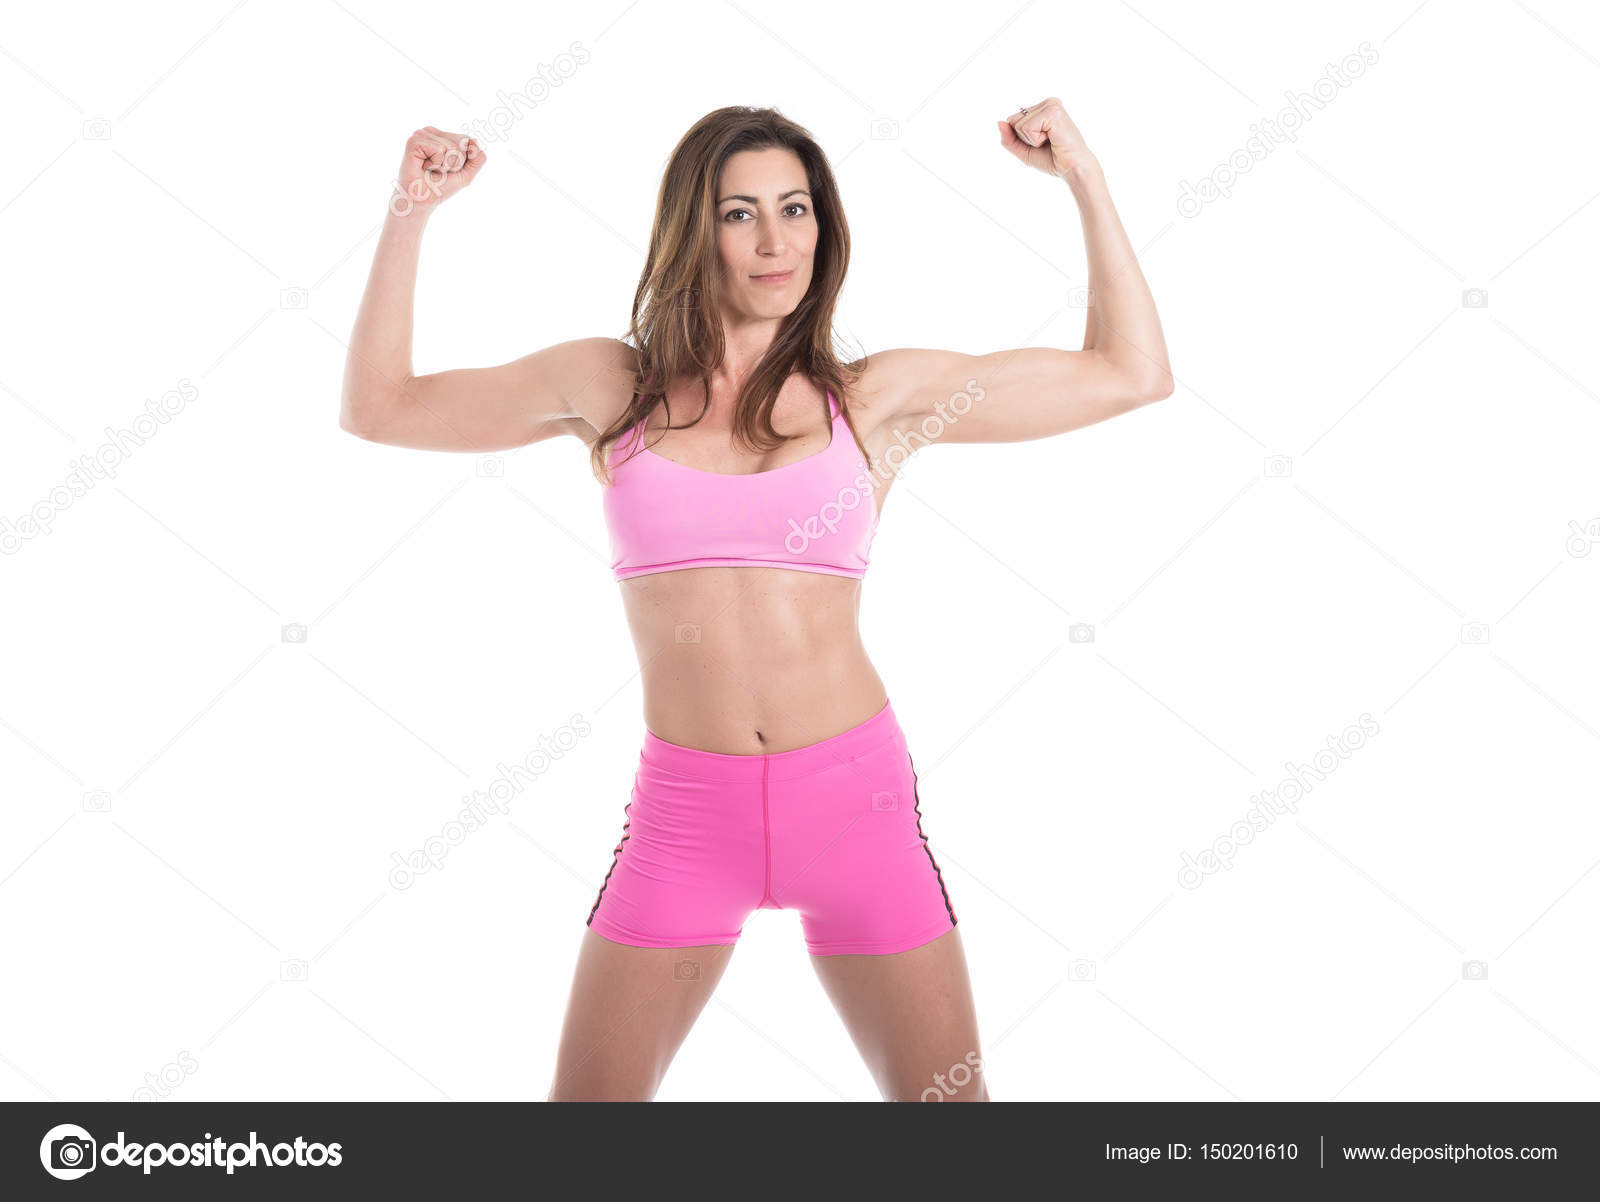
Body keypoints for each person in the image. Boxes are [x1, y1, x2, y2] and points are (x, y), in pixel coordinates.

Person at [340, 100, 1171, 1101]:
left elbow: (1131, 373)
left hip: (854, 806)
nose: (777, 240)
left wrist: (1080, 172)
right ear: (695, 229)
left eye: (796, 208)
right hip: (687, 819)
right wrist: (408, 212)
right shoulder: (611, 388)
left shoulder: (872, 399)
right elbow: (379, 406)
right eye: (740, 213)